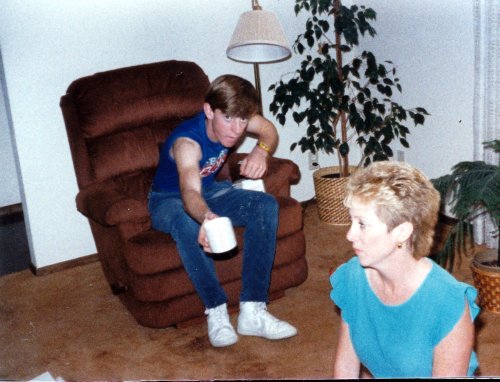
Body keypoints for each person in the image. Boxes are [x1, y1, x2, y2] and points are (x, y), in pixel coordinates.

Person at [148, 74, 297, 348]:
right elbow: (189, 193)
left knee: (265, 205)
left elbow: (269, 131)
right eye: (228, 119)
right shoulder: (187, 144)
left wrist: (261, 152)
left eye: (242, 120)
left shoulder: (237, 115)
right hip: (168, 199)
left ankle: (252, 310)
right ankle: (216, 312)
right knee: (186, 222)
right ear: (209, 110)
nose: (236, 129)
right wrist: (206, 217)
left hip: (211, 189)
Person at [330, 161, 480, 378]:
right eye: (351, 221)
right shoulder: (354, 276)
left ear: (402, 232)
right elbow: (345, 368)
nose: (350, 235)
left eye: (362, 224)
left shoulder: (447, 303)